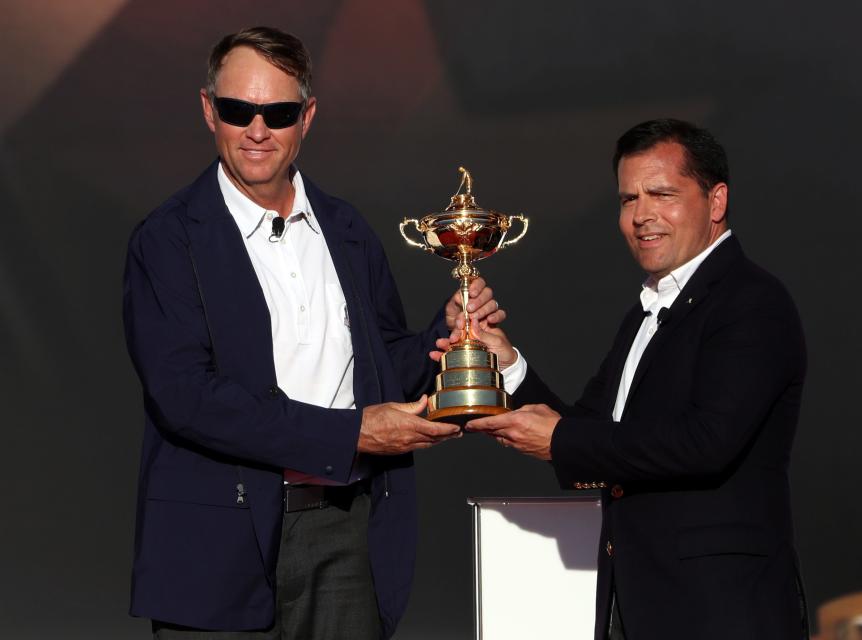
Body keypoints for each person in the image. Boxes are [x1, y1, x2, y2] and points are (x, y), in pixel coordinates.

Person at [122, 26, 505, 639]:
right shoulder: (168, 239)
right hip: (222, 542)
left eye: (276, 112)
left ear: (307, 117)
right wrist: (353, 433)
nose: (256, 129)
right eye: (236, 109)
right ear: (207, 110)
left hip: (347, 535)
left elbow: (381, 363)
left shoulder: (346, 229)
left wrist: (446, 334)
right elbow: (187, 398)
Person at [461, 119, 808, 639]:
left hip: (722, 610)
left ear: (716, 202)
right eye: (628, 199)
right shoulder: (647, 311)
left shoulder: (751, 301)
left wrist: (559, 439)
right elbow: (593, 431)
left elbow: (706, 441)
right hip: (638, 603)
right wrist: (507, 364)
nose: (642, 215)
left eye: (661, 194)